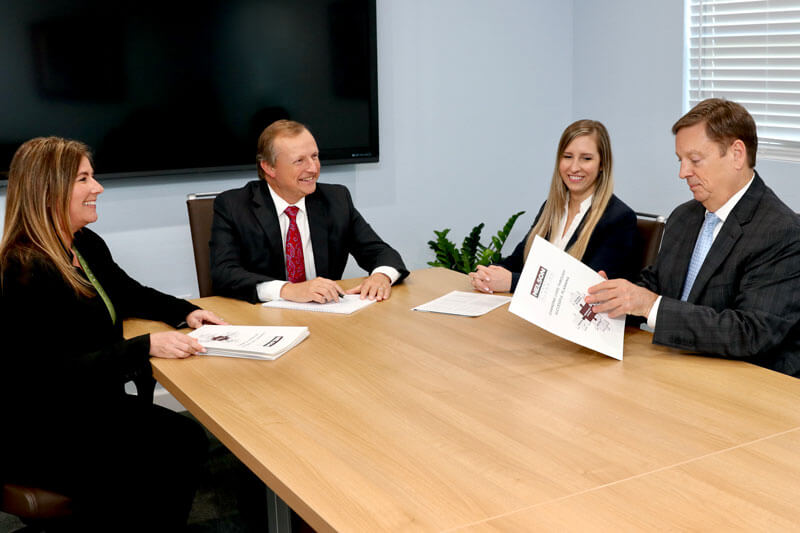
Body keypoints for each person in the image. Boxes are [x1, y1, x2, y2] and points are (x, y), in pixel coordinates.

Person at [0, 137, 226, 531]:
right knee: (176, 442)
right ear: (49, 188)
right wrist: (144, 346)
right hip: (43, 427)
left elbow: (130, 292)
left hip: (85, 405)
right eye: (84, 178)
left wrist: (188, 311)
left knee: (180, 438)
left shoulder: (82, 244)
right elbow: (49, 373)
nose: (98, 188)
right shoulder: (22, 269)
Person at [586, 98, 800, 377]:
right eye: (680, 160)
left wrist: (648, 304)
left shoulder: (782, 232)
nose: (682, 172)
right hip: (673, 366)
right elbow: (657, 283)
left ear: (737, 154)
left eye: (695, 160)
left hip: (743, 385)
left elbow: (749, 333)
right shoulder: (684, 217)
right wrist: (616, 296)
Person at [210, 119, 409, 304]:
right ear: (269, 167)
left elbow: (381, 253)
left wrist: (381, 276)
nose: (313, 168)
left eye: (314, 156)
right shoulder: (234, 205)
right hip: (263, 320)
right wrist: (287, 290)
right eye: (299, 161)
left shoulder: (335, 199)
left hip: (325, 316)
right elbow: (224, 273)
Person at [470, 119, 639, 293]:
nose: (574, 167)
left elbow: (586, 288)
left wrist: (512, 282)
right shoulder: (551, 208)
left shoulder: (619, 219)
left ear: (603, 164)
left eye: (586, 158)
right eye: (567, 157)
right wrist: (487, 274)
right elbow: (518, 261)